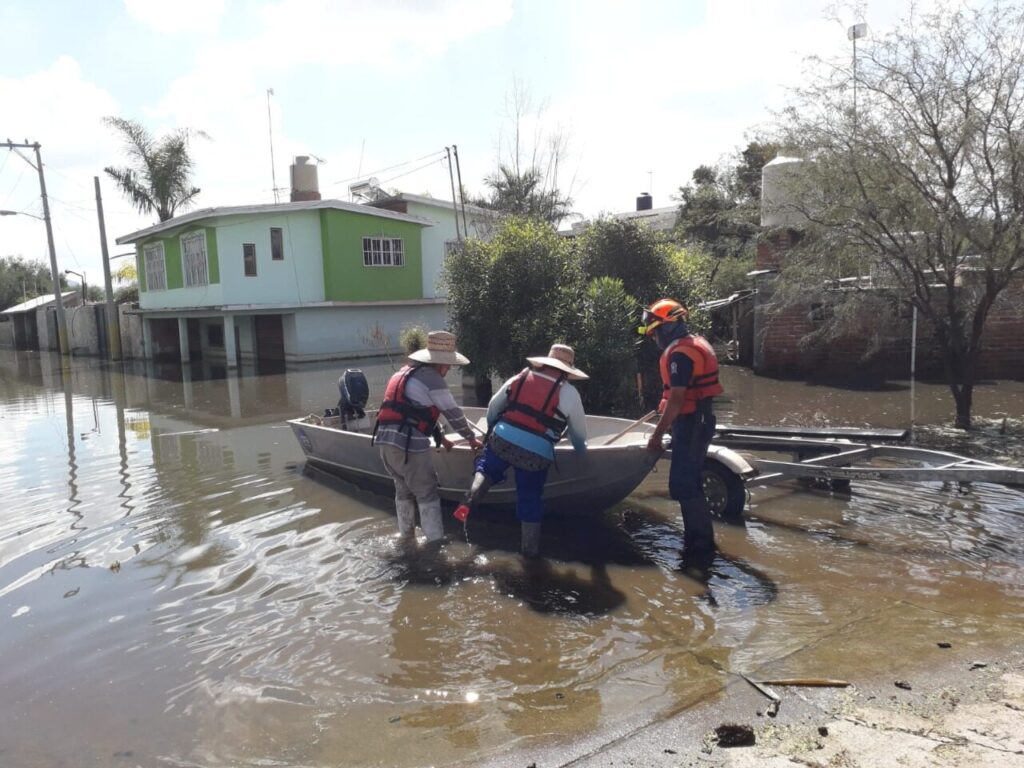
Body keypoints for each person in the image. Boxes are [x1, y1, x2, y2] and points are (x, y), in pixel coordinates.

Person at [453, 344, 588, 557]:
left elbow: (493, 407)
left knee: (487, 468)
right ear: (567, 371)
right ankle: (529, 552)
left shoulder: (520, 377)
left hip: (502, 439)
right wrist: (583, 456)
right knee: (530, 497)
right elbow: (579, 435)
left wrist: (491, 430)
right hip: (536, 453)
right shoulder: (570, 393)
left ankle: (470, 499)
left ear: (544, 363)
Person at [373, 331, 482, 543]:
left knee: (403, 491)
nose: (449, 369)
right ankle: (435, 547)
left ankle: (406, 539)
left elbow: (416, 413)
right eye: (448, 365)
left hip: (386, 443)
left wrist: (442, 438)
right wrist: (470, 438)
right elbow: (453, 414)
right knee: (427, 493)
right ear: (439, 363)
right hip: (408, 446)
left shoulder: (406, 372)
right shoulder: (432, 379)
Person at [639, 299, 723, 568]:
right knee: (688, 483)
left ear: (668, 326)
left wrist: (656, 436)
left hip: (692, 422)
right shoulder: (693, 344)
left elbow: (677, 399)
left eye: (655, 331)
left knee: (684, 484)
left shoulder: (680, 354)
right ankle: (699, 542)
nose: (654, 338)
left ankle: (700, 549)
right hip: (695, 419)